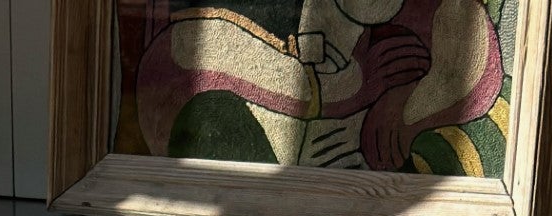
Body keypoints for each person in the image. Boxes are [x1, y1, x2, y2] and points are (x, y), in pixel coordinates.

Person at [133, 0, 505, 172]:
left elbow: (480, 71)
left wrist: (399, 112)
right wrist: (342, 88)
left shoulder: (451, 20)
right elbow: (177, 58)